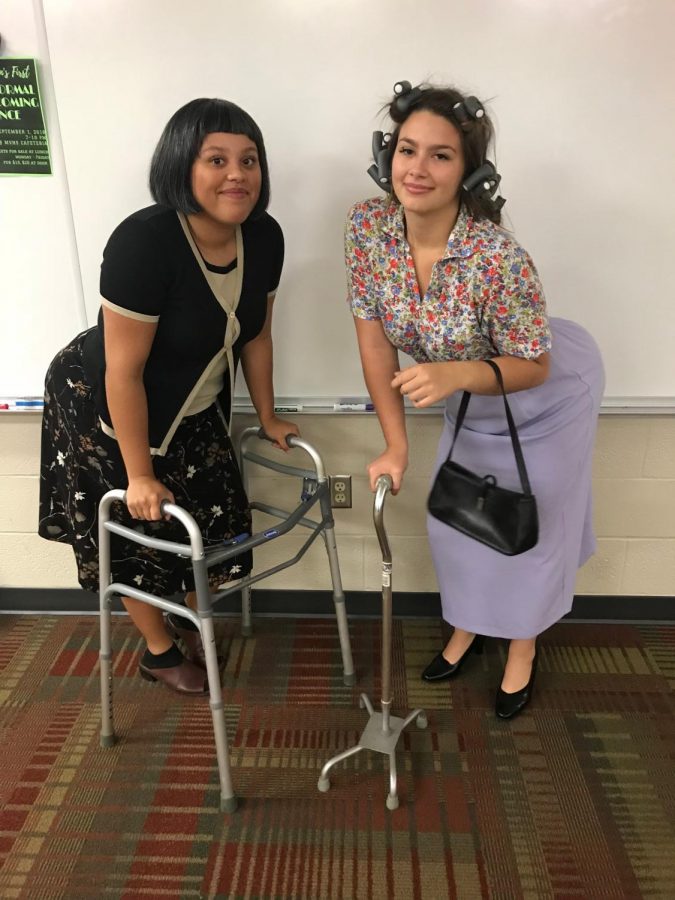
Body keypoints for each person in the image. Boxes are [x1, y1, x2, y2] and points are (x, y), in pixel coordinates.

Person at [346, 82, 604, 719]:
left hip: (545, 391)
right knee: (456, 519)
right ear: (388, 154)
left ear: (470, 170)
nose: (418, 168)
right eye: (408, 149)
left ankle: (521, 647)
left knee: (525, 527)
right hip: (470, 385)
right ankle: (467, 627)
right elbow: (375, 343)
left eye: (441, 155)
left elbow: (535, 363)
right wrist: (397, 444)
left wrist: (458, 373)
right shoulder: (367, 227)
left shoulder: (497, 256)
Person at [39, 98, 297, 694]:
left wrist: (269, 415)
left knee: (212, 518)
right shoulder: (144, 242)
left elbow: (255, 335)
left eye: (249, 160)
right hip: (102, 402)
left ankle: (185, 613)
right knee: (138, 530)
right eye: (217, 159)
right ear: (182, 166)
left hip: (190, 400)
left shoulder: (264, 236)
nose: (238, 174)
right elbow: (124, 373)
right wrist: (138, 474)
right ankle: (158, 651)